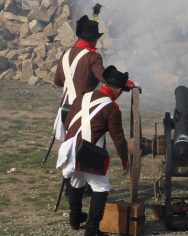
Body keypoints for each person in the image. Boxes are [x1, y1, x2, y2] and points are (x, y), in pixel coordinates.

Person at [56, 65, 132, 236]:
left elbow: (67, 121)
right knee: (101, 187)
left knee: (77, 182)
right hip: (88, 151)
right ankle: (92, 229)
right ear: (118, 90)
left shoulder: (83, 97)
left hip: (70, 148)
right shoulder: (111, 108)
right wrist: (125, 160)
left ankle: (75, 220)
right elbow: (118, 138)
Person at [52, 12, 108, 148]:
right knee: (92, 151)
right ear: (93, 39)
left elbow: (58, 81)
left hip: (65, 109)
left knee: (69, 148)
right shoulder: (93, 57)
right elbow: (105, 78)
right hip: (84, 110)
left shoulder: (66, 53)